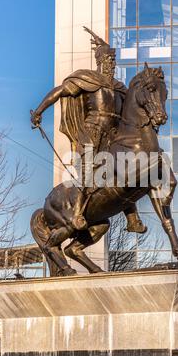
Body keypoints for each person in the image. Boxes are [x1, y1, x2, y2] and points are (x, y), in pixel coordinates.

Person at [31, 27, 147, 233]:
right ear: (100, 61)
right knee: (89, 172)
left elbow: (134, 109)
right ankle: (76, 214)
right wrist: (39, 110)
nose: (111, 64)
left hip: (113, 135)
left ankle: (132, 219)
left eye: (113, 61)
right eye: (108, 61)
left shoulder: (120, 88)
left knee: (124, 172)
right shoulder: (89, 80)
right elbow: (59, 91)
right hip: (92, 131)